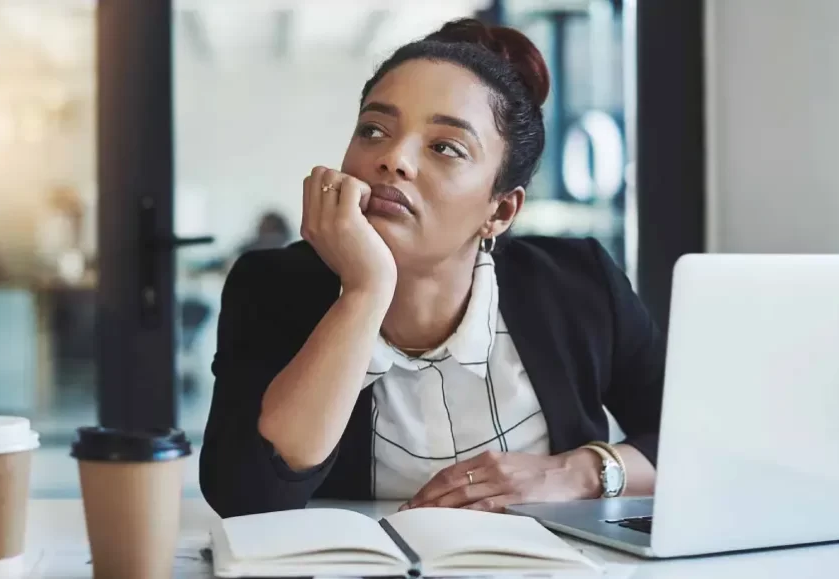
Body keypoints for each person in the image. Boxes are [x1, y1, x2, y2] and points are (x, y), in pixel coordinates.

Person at [200, 18, 664, 518]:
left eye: (445, 147)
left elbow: (698, 446)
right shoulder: (271, 286)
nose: (393, 158)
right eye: (373, 130)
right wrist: (364, 292)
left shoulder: (579, 281)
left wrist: (579, 473)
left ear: (501, 211)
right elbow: (246, 497)